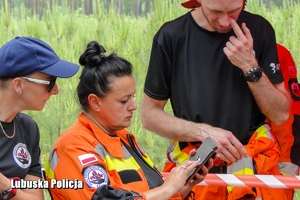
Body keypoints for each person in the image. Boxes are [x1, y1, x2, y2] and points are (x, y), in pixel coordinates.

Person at [140, 0, 291, 199]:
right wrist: (205, 133)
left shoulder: (258, 29)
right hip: (197, 170)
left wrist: (250, 67)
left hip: (252, 174)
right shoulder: (171, 36)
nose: (226, 21)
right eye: (216, 11)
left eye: (235, 11)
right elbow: (149, 115)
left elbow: (280, 114)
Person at [45, 40, 213, 200]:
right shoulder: (73, 147)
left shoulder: (123, 138)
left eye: (133, 97)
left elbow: (149, 194)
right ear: (95, 102)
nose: (133, 106)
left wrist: (185, 182)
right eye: (124, 101)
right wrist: (168, 188)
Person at [0, 36, 79, 200]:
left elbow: (36, 197)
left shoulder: (28, 128)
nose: (55, 90)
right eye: (50, 82)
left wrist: (6, 187)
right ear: (18, 85)